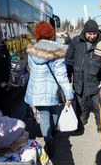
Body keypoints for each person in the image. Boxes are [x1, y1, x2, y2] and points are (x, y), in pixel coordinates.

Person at [24, 21, 74, 157]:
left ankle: (48, 140)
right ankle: (52, 132)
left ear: (38, 34)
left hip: (37, 89)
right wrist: (69, 94)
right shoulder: (57, 50)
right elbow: (61, 75)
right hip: (53, 90)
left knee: (44, 116)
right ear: (51, 34)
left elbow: (30, 70)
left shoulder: (32, 49)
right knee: (54, 112)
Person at [66, 19, 101, 134]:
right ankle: (80, 124)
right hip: (79, 80)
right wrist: (69, 75)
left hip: (95, 80)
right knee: (80, 106)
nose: (92, 36)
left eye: (94, 34)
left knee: (97, 106)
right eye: (89, 34)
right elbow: (69, 59)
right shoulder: (75, 41)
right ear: (85, 32)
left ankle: (100, 125)